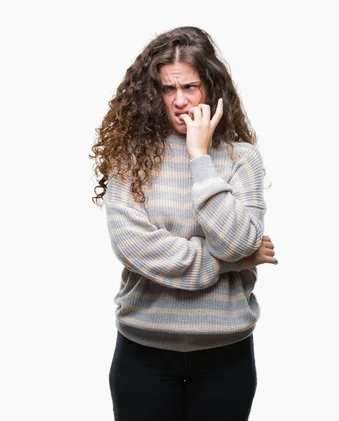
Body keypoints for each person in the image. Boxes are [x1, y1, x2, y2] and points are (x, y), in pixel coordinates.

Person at [89, 26, 277, 421]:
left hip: (227, 356)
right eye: (166, 89)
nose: (178, 101)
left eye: (189, 87)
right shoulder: (130, 161)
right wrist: (229, 264)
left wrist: (199, 156)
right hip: (143, 354)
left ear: (210, 87)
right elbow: (136, 248)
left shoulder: (243, 158)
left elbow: (239, 240)